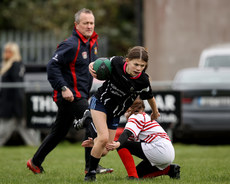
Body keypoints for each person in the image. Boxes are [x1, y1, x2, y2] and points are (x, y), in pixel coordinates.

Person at [26, 8, 112, 174]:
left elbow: (91, 68)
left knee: (59, 132)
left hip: (80, 95)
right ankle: (91, 168)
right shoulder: (70, 44)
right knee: (91, 120)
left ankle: (35, 162)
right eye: (85, 23)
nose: (89, 26)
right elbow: (52, 66)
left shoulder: (92, 43)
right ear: (76, 25)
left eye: (91, 23)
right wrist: (63, 88)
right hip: (69, 95)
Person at [82, 46, 160, 181]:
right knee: (103, 138)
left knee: (105, 150)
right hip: (100, 102)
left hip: (115, 113)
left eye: (142, 66)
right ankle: (90, 174)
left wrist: (155, 111)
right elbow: (101, 63)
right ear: (127, 61)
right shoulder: (117, 62)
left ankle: (91, 128)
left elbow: (150, 97)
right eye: (136, 64)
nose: (138, 68)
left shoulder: (143, 81)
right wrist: (91, 65)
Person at [106, 98, 180, 179]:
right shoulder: (143, 116)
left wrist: (118, 143)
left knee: (122, 145)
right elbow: (124, 137)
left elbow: (126, 134)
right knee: (139, 173)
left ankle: (133, 177)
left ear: (128, 108)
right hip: (167, 151)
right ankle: (170, 169)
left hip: (159, 149)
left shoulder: (135, 116)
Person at [0, 42, 40, 146]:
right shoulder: (10, 64)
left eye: (9, 51)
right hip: (11, 103)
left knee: (5, 129)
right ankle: (35, 145)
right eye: (6, 51)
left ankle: (35, 145)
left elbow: (17, 86)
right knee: (23, 127)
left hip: (12, 104)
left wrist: (19, 105)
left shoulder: (15, 65)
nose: (6, 53)